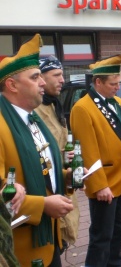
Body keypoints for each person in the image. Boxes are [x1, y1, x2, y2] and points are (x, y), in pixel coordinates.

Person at [0, 33, 74, 266]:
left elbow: (43, 170)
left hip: (49, 239)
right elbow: (4, 188)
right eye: (35, 77)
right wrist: (42, 205)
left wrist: (67, 178)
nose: (43, 82)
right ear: (12, 85)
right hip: (22, 247)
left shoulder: (33, 119)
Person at [70, 54, 121, 266]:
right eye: (113, 84)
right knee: (102, 235)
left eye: (119, 83)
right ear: (98, 82)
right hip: (106, 181)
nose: (118, 88)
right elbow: (87, 150)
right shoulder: (82, 108)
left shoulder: (118, 102)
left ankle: (114, 263)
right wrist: (99, 185)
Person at [35, 55, 80, 251]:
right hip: (46, 193)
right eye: (57, 75)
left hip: (62, 185)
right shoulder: (34, 110)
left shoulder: (53, 104)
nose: (63, 79)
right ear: (41, 78)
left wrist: (65, 157)